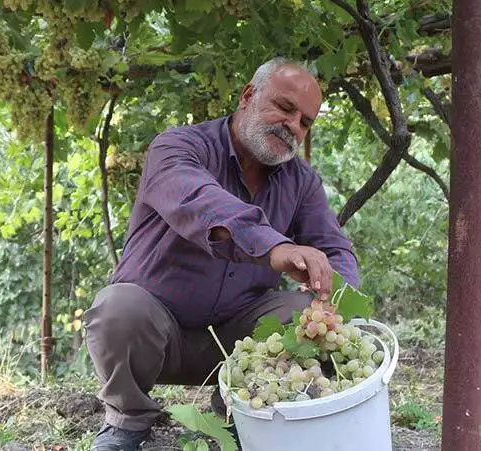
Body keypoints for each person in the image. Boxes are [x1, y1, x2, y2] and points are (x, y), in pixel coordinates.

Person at [83, 58, 360, 451]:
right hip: (155, 335)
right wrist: (275, 247)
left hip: (237, 344)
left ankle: (230, 416)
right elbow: (198, 201)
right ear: (249, 95)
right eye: (284, 107)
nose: (293, 126)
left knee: (303, 315)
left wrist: (337, 298)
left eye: (305, 122)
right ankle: (127, 422)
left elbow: (335, 249)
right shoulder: (178, 146)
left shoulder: (302, 182)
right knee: (117, 308)